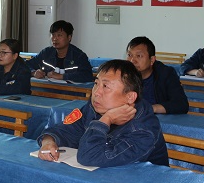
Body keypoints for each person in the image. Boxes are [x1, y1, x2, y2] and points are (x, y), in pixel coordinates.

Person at [36, 59, 168, 167]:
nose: (96, 93)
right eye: (96, 84)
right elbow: (64, 130)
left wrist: (106, 119)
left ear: (130, 97)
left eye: (105, 86)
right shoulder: (93, 108)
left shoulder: (143, 131)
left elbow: (89, 156)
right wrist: (48, 142)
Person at [126, 36, 188, 114]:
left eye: (139, 56)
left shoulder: (166, 74)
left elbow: (181, 104)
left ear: (152, 60)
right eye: (129, 55)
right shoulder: (123, 74)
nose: (132, 60)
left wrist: (151, 108)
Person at [27, 20, 93, 83]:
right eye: (53, 35)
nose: (55, 39)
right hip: (47, 89)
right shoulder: (46, 53)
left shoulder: (79, 56)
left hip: (70, 90)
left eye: (59, 35)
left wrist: (62, 76)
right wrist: (33, 72)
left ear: (69, 37)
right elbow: (25, 66)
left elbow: (88, 75)